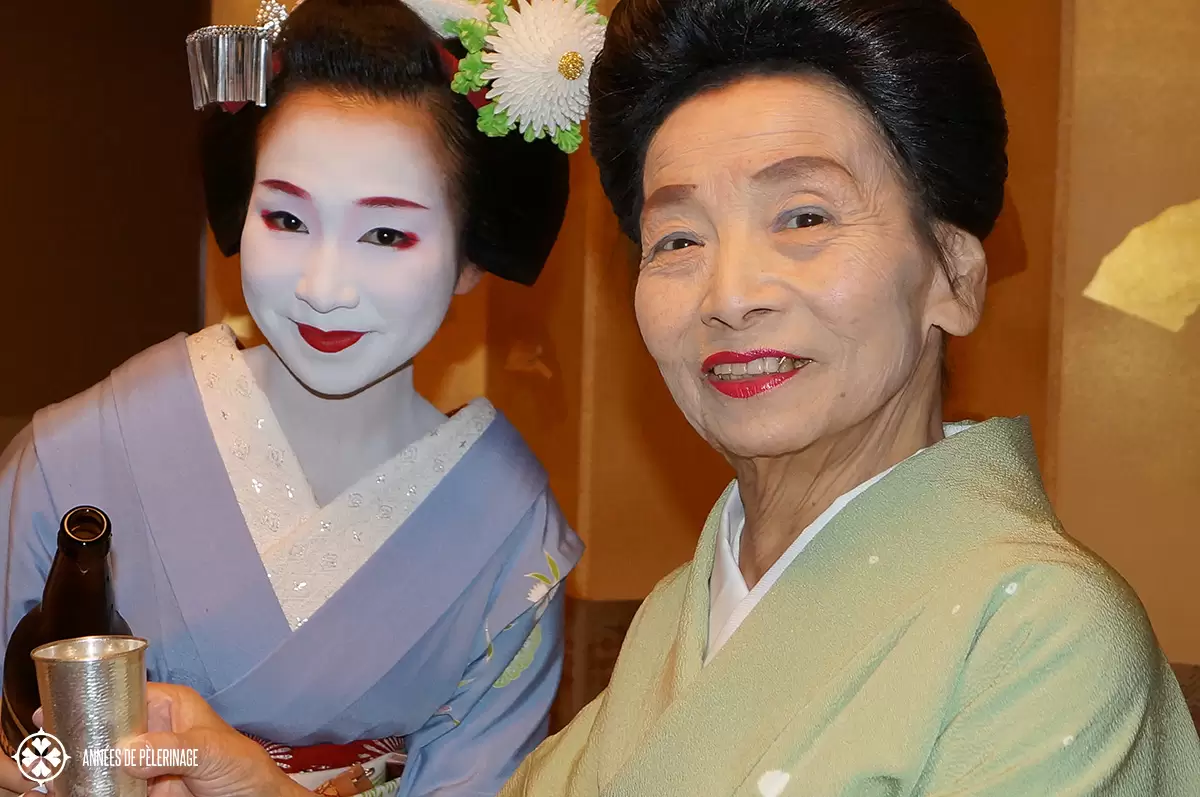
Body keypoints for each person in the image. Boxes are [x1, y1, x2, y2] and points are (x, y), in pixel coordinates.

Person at [27, 0, 1199, 795]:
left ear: (954, 272)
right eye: (678, 235)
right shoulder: (686, 613)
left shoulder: (1043, 633)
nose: (730, 294)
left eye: (803, 215)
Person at [0, 0, 598, 794]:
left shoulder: (513, 541)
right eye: (285, 216)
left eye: (386, 234)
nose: (323, 287)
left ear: (470, 256)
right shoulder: (76, 455)